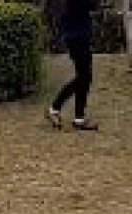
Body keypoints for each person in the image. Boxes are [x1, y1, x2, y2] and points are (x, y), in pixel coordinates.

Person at [47, 0, 100, 130]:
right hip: (76, 36)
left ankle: (78, 118)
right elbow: (90, 5)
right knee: (84, 77)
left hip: (78, 35)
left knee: (84, 77)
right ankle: (55, 109)